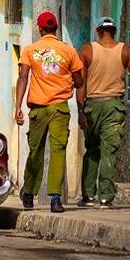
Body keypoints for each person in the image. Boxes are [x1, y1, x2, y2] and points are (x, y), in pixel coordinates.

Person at [15, 11, 83, 213]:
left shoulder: (30, 50)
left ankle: (28, 193)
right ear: (56, 28)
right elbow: (80, 82)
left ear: (40, 28)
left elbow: (22, 78)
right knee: (58, 152)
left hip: (38, 109)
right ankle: (55, 199)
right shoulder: (69, 51)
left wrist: (18, 107)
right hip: (60, 108)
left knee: (35, 151)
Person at [77, 17, 130, 208]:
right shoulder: (124, 50)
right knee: (109, 152)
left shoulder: (87, 50)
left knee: (92, 150)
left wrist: (81, 112)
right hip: (114, 107)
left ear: (99, 31)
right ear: (114, 31)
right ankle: (106, 198)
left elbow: (81, 86)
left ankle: (88, 196)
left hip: (93, 105)